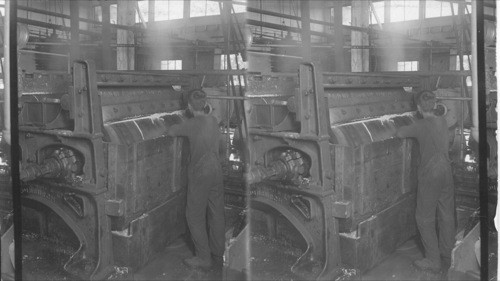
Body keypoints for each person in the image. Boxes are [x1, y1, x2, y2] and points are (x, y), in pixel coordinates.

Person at [395, 90, 455, 272]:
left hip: (431, 175)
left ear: (419, 108)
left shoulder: (420, 125)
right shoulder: (442, 121)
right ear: (435, 105)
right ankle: (448, 252)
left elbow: (399, 133)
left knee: (424, 218)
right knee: (446, 213)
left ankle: (433, 261)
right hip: (446, 171)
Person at [166, 89, 225, 270]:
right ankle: (218, 251)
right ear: (206, 104)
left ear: (190, 107)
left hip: (201, 173)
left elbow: (171, 131)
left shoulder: (191, 123)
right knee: (216, 212)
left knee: (194, 216)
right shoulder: (213, 121)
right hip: (216, 170)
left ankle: (203, 258)